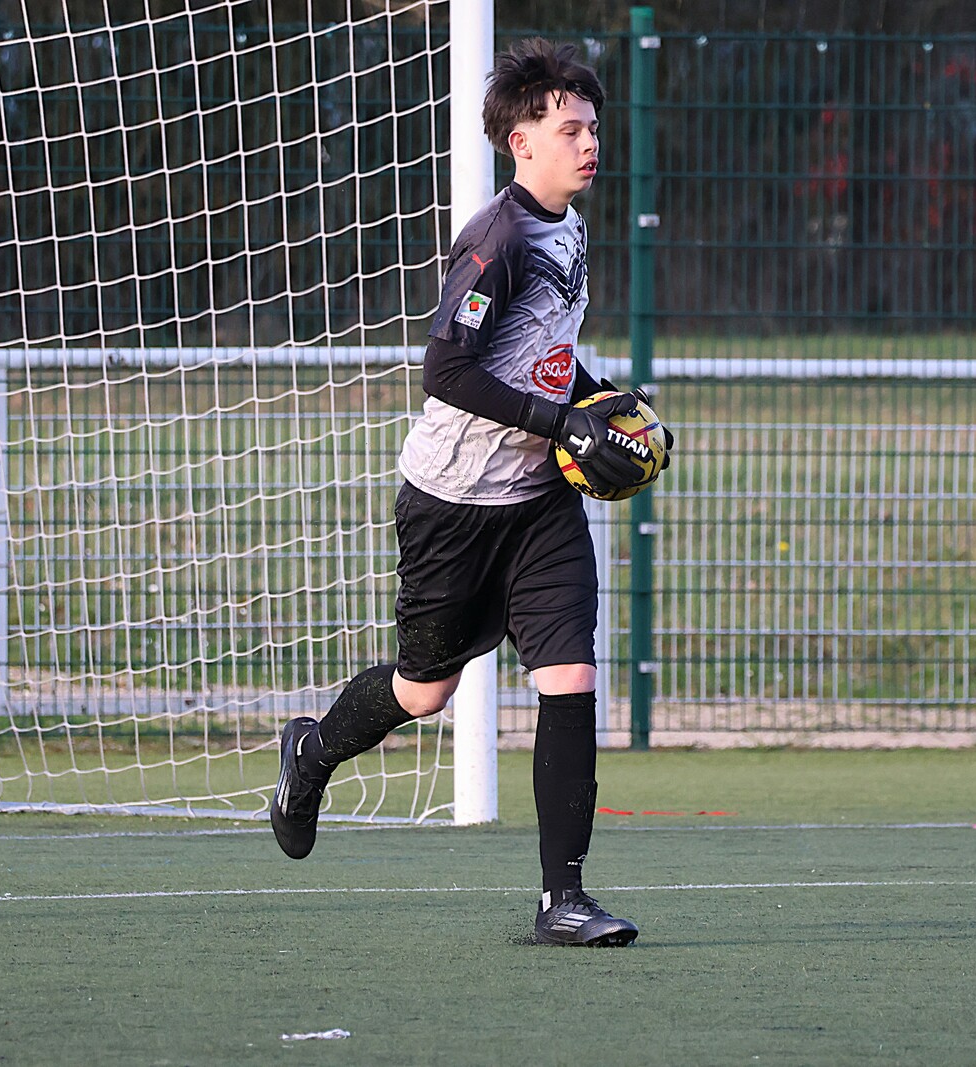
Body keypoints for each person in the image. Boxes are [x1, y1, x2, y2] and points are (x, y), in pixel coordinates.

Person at [270, 37, 661, 946]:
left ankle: (563, 899)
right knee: (424, 691)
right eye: (569, 129)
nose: (589, 143)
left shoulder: (569, 225)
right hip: (450, 501)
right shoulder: (498, 239)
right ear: (521, 142)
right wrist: (559, 420)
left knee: (570, 674)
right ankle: (311, 752)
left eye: (592, 127)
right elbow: (445, 370)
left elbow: (544, 355)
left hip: (538, 502)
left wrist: (601, 402)